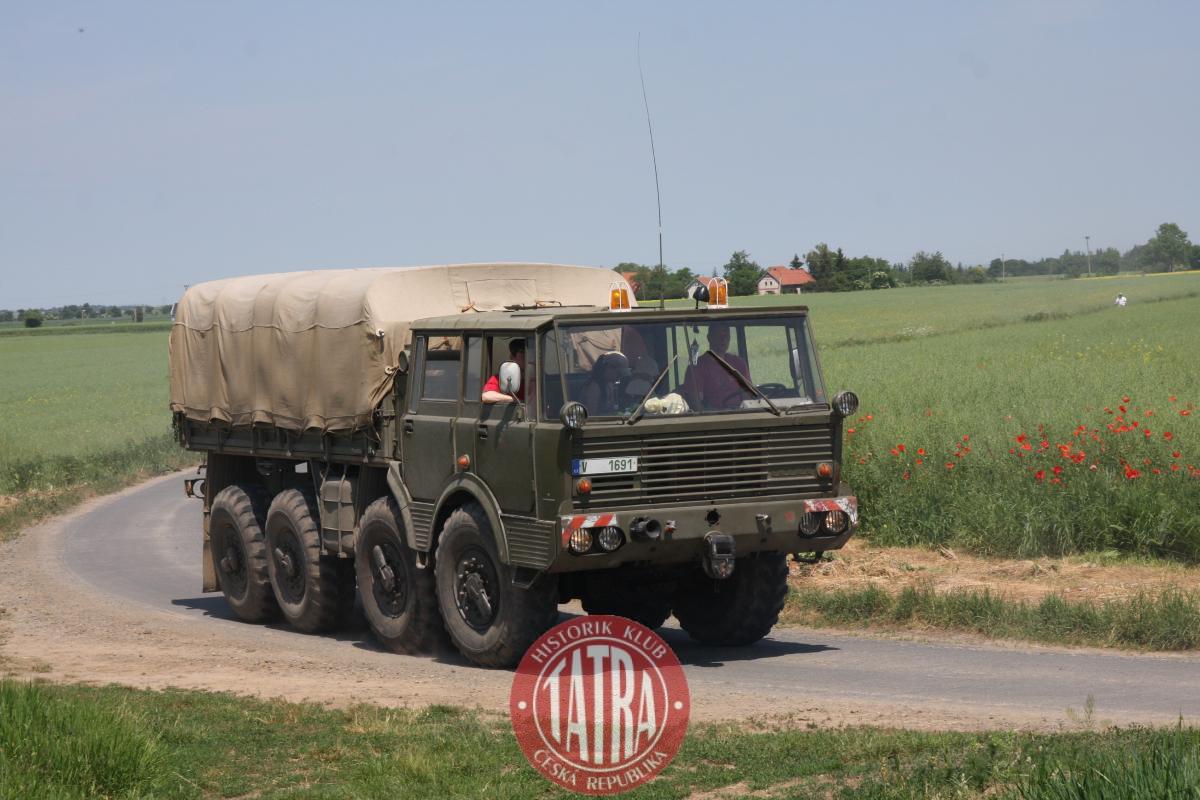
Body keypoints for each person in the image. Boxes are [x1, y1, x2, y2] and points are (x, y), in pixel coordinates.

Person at [681, 323, 752, 411]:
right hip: (714, 417)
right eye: (719, 335)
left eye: (726, 336)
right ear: (709, 338)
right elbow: (697, 405)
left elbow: (748, 398)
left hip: (742, 415)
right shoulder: (697, 368)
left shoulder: (739, 364)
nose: (723, 339)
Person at [579, 351, 632, 416]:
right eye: (619, 373)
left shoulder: (609, 385)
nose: (619, 377)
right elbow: (591, 416)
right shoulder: (594, 387)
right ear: (608, 368)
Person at [482, 339, 526, 404]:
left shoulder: (539, 379)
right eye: (522, 352)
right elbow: (487, 396)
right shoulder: (501, 378)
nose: (527, 356)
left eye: (531, 352)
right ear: (512, 357)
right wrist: (516, 400)